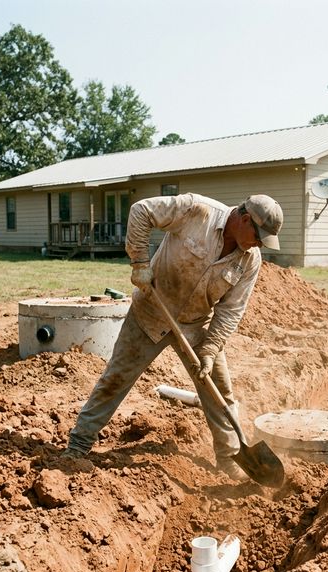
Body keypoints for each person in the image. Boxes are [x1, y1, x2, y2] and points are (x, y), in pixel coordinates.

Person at [62, 192, 283, 482]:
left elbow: (231, 310)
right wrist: (140, 262)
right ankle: (79, 444)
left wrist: (211, 349)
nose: (258, 246)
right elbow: (142, 210)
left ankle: (230, 458)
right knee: (116, 378)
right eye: (258, 237)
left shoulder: (249, 260)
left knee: (220, 392)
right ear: (244, 220)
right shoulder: (196, 211)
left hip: (196, 326)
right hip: (151, 312)